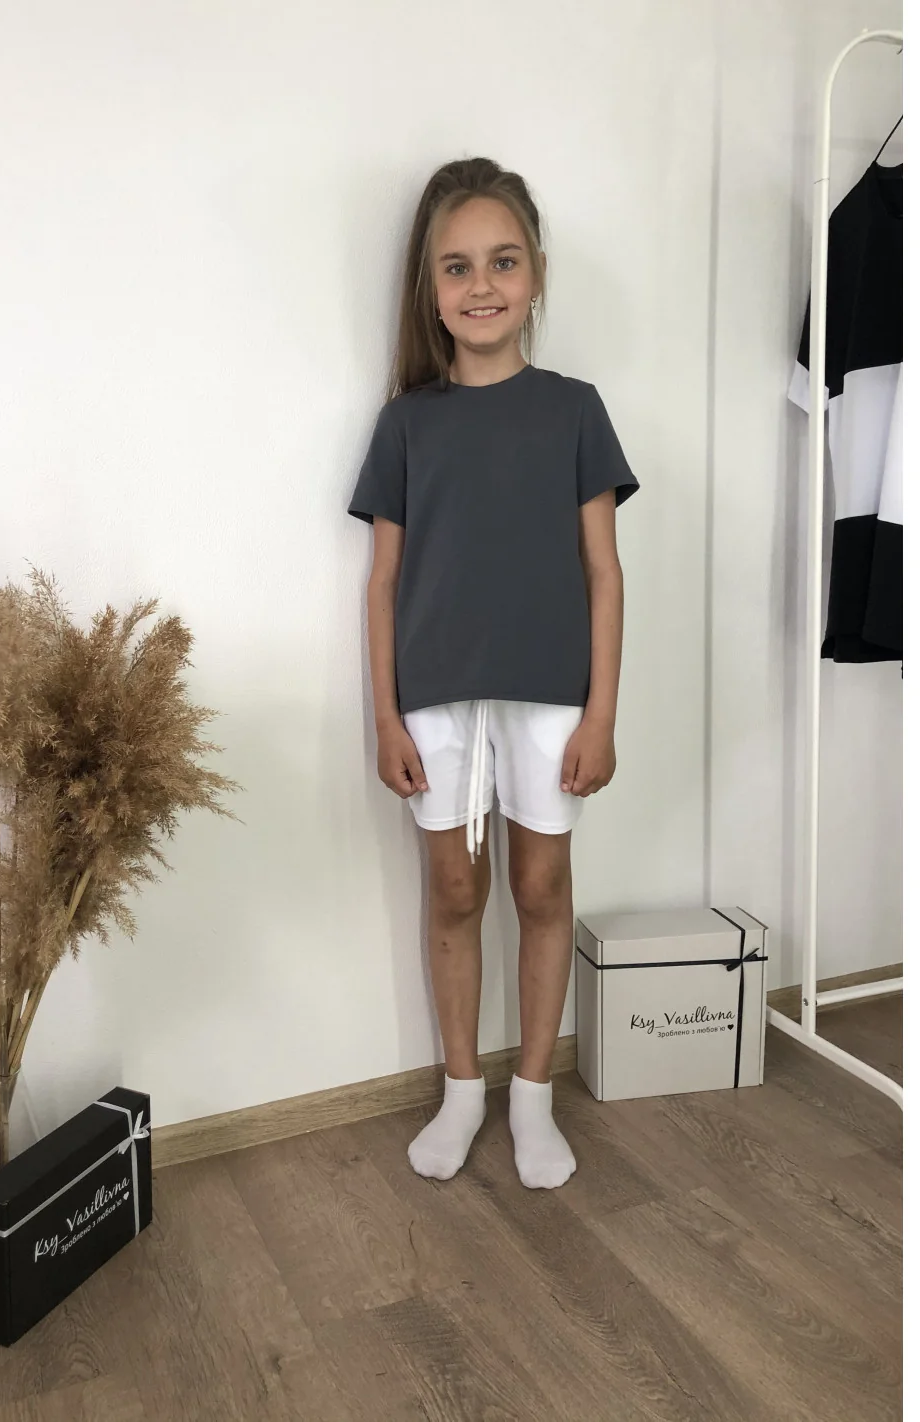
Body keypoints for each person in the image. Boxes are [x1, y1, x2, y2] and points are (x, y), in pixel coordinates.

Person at [347, 157, 639, 1189]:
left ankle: (532, 1098)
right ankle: (462, 1089)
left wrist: (599, 715)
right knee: (453, 888)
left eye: (502, 261)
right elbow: (383, 583)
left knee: (539, 884)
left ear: (536, 274)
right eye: (457, 266)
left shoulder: (574, 411)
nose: (481, 285)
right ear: (430, 290)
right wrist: (385, 718)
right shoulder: (406, 424)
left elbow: (603, 573)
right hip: (432, 697)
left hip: (551, 694)